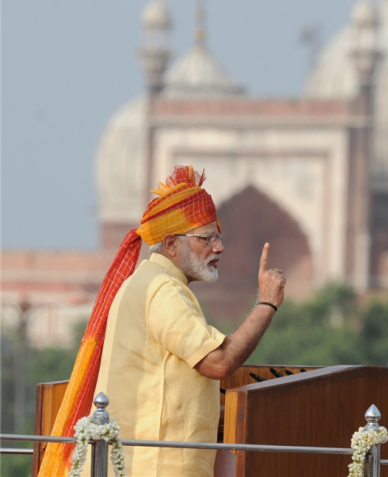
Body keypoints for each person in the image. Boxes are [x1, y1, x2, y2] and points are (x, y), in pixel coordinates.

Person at [41, 165, 285, 477]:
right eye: (207, 237)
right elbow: (218, 363)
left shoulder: (146, 282)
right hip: (153, 467)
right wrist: (266, 303)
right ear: (170, 244)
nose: (219, 247)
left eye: (219, 237)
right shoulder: (162, 289)